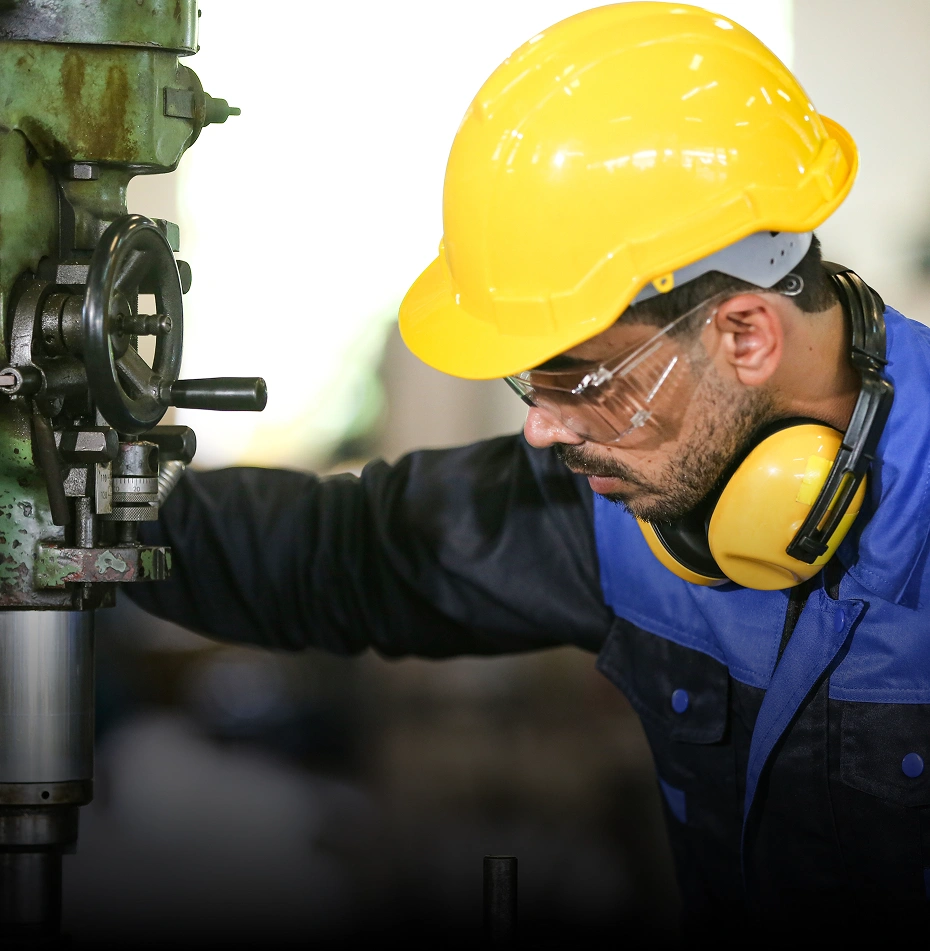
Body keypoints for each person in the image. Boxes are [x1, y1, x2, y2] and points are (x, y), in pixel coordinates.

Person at [130, 2, 930, 935]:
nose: (545, 431)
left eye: (577, 376)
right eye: (526, 381)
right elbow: (344, 553)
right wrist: (73, 495)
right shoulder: (631, 490)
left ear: (744, 333)